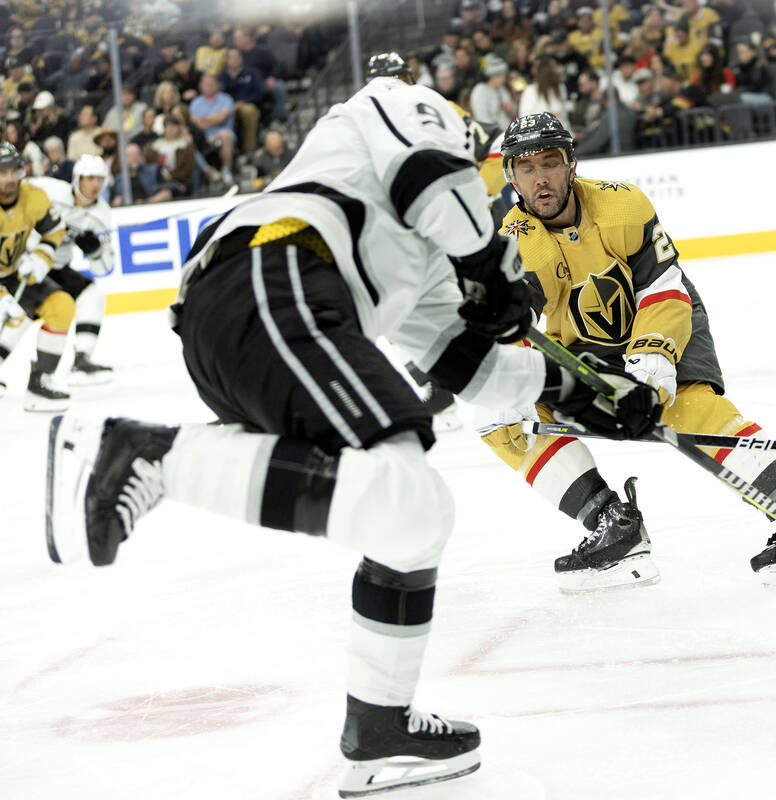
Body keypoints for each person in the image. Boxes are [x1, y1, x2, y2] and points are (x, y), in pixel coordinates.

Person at [45, 58, 660, 796]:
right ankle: (144, 454)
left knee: (413, 513)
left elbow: (470, 368)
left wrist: (580, 392)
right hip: (274, 274)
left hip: (268, 316)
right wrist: (496, 269)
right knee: (406, 489)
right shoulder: (409, 105)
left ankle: (379, 727)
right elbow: (431, 174)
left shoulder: (431, 262)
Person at [479, 113, 776, 593]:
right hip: (586, 348)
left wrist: (652, 361)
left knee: (693, 411)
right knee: (497, 419)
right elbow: (514, 323)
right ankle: (613, 526)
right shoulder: (513, 241)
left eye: (550, 162)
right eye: (526, 169)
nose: (540, 178)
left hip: (665, 316)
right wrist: (503, 372)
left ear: (571, 164)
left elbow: (664, 286)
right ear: (510, 177)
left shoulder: (621, 204)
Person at [23, 155, 116, 385]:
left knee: (92, 295)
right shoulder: (48, 189)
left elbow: (104, 267)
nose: (95, 185)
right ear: (77, 179)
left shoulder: (101, 215)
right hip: (28, 262)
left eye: (100, 179)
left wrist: (94, 250)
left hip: (57, 267)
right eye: (90, 178)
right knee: (16, 314)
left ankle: (82, 360)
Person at [0, 141, 73, 410]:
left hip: (15, 272)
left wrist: (42, 255)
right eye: (2, 172)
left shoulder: (33, 196)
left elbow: (55, 229)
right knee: (9, 316)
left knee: (61, 306)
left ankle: (40, 382)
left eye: (12, 171)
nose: (9, 179)